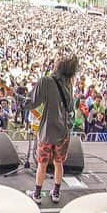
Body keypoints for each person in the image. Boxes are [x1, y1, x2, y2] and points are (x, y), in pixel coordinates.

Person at [30, 55, 78, 204]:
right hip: (63, 132)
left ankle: (37, 194)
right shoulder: (69, 84)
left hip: (46, 132)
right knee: (58, 163)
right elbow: (70, 107)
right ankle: (56, 192)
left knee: (42, 163)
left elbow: (32, 103)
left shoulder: (46, 81)